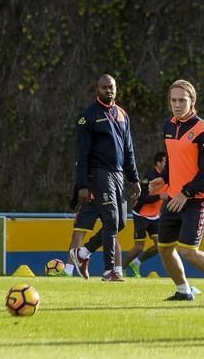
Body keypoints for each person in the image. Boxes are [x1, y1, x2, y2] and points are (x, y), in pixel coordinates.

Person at [149, 79, 204, 301]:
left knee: (187, 250)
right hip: (175, 198)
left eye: (182, 100)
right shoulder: (169, 126)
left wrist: (185, 193)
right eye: (173, 100)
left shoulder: (203, 131)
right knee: (164, 247)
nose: (177, 104)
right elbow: (175, 161)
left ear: (192, 101)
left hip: (197, 198)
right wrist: (163, 179)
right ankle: (183, 291)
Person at [68, 74, 141, 282]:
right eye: (104, 87)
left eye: (111, 87)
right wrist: (82, 184)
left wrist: (134, 178)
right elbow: (82, 155)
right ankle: (110, 271)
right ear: (96, 90)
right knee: (111, 220)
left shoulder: (122, 115)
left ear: (116, 89)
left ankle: (82, 254)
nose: (108, 91)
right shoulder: (88, 117)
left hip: (118, 174)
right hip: (99, 174)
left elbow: (129, 150)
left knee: (120, 224)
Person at [123, 151, 167, 277]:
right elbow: (142, 198)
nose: (167, 163)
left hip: (155, 216)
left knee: (160, 246)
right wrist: (160, 196)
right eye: (165, 161)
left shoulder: (167, 176)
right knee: (138, 247)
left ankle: (136, 263)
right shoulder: (150, 176)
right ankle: (120, 269)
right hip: (141, 214)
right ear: (158, 163)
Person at [62, 187, 123, 277]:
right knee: (110, 232)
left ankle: (118, 270)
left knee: (110, 232)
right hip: (98, 198)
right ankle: (68, 270)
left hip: (96, 197)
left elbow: (82, 178)